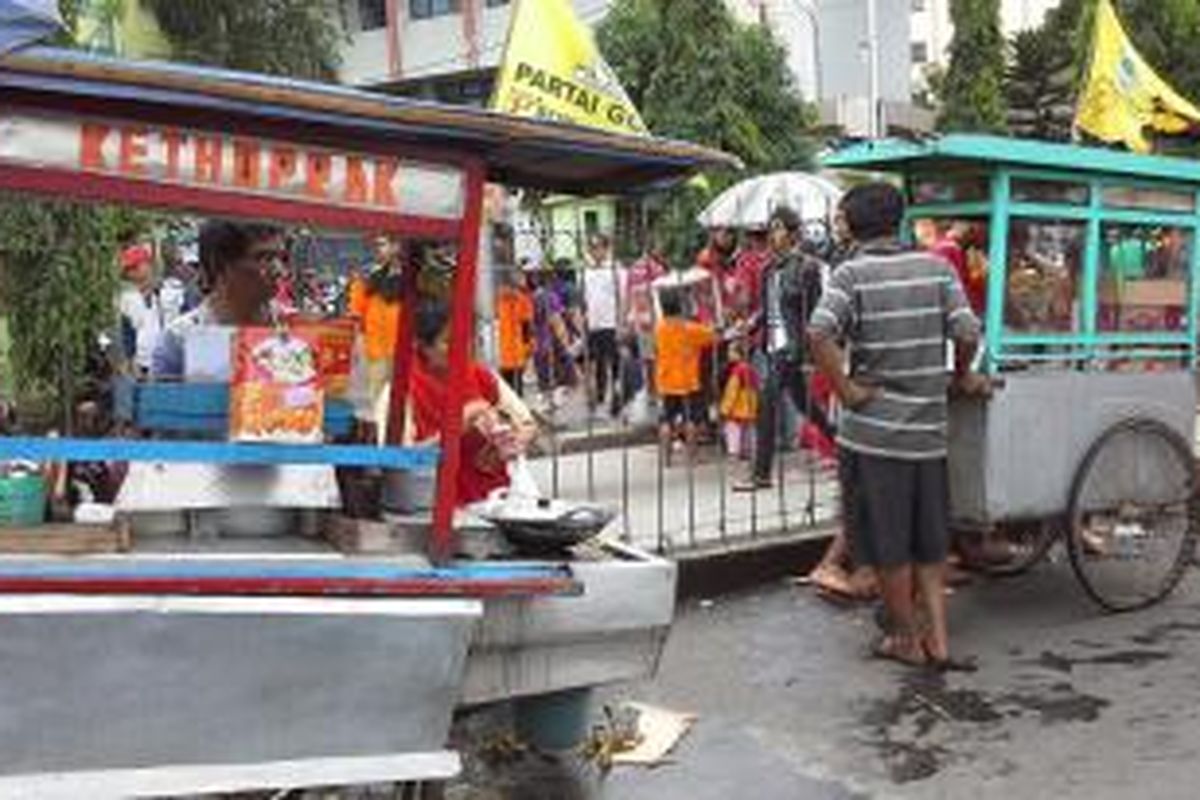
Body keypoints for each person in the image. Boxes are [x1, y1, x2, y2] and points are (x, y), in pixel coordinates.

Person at [808, 183, 987, 671]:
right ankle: (941, 642)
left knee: (887, 545)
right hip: (927, 433)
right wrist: (962, 374)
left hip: (871, 438)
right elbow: (968, 330)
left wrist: (845, 391)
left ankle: (908, 640)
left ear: (852, 224)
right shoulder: (936, 267)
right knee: (930, 542)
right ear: (898, 220)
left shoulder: (850, 275)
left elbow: (819, 332)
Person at [734, 206, 833, 492]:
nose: (773, 234)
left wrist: (809, 353)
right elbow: (765, 311)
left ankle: (761, 474)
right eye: (772, 228)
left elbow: (812, 312)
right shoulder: (767, 269)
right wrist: (745, 328)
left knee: (766, 404)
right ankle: (842, 445)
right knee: (808, 407)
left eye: (779, 228)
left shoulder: (808, 267)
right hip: (771, 346)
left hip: (792, 349)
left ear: (793, 233)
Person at [403, 299, 536, 505]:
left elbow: (527, 423)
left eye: (466, 338)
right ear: (422, 346)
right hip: (436, 504)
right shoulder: (403, 391)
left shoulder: (482, 376)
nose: (461, 348)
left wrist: (515, 440)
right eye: (448, 342)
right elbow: (402, 461)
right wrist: (455, 428)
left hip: (495, 497)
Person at [153, 221, 285, 378]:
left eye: (281, 257)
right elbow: (164, 401)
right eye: (264, 258)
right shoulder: (179, 340)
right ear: (221, 265)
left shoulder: (298, 328)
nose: (279, 270)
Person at [655, 292, 716, 466]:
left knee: (666, 420)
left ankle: (666, 459)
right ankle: (692, 457)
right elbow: (713, 336)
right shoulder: (690, 328)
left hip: (666, 381)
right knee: (691, 420)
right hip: (688, 382)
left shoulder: (659, 328)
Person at [348, 234, 405, 408]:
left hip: (403, 350)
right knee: (378, 401)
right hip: (377, 349)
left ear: (397, 246)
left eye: (383, 244)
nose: (378, 249)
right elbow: (358, 313)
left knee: (402, 401)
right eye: (377, 245)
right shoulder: (370, 277)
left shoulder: (413, 276)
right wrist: (357, 345)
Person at [581, 233, 626, 415]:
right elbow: (584, 300)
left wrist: (622, 324)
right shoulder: (586, 272)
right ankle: (598, 397)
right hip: (593, 324)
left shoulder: (616, 271)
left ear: (607, 249)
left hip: (612, 323)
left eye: (599, 247)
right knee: (596, 363)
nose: (595, 251)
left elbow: (623, 299)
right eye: (592, 248)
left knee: (615, 363)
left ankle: (617, 398)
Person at [117, 242, 170, 378]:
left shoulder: (169, 292)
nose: (132, 272)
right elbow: (126, 335)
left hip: (168, 362)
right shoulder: (125, 299)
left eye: (136, 266)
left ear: (148, 265)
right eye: (129, 269)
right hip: (140, 366)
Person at [625, 241, 668, 394]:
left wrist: (628, 319)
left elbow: (628, 293)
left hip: (640, 317)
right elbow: (663, 293)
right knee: (657, 355)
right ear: (652, 249)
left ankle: (651, 389)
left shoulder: (633, 268)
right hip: (655, 317)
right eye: (659, 248)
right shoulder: (657, 268)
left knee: (647, 356)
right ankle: (657, 388)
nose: (661, 250)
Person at [495, 269, 535, 396]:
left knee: (514, 387)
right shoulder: (502, 300)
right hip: (508, 351)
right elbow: (526, 325)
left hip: (516, 350)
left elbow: (526, 325)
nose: (502, 289)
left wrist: (528, 345)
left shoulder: (521, 300)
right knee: (510, 388)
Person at [719, 339, 758, 460]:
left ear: (738, 354)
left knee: (732, 429)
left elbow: (732, 391)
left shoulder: (736, 371)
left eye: (731, 351)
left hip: (737, 406)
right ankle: (750, 450)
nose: (728, 354)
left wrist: (725, 408)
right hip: (750, 404)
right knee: (749, 429)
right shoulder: (751, 369)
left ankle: (734, 452)